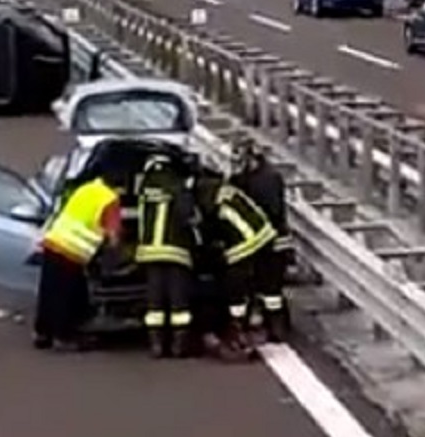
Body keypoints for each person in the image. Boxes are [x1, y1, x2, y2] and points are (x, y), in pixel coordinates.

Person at [35, 168, 122, 350]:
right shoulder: (110, 199)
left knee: (49, 291)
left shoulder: (85, 189)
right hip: (72, 250)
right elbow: (114, 236)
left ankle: (43, 334)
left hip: (54, 241)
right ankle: (64, 336)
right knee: (67, 295)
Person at [196, 176, 277, 357]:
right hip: (266, 235)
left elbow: (210, 229)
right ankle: (264, 323)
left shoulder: (212, 202)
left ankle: (237, 326)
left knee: (233, 284)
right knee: (261, 284)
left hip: (247, 242)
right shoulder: (229, 191)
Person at [135, 153, 198, 358]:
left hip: (150, 252)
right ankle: (179, 346)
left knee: (155, 303)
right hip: (175, 251)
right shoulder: (176, 184)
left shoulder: (144, 187)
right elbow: (188, 214)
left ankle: (157, 346)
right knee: (178, 303)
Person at [229, 138, 290, 341]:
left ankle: (250, 327)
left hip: (264, 241)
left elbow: (270, 212)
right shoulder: (272, 177)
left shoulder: (254, 181)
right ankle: (275, 327)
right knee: (271, 290)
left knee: (265, 287)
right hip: (270, 241)